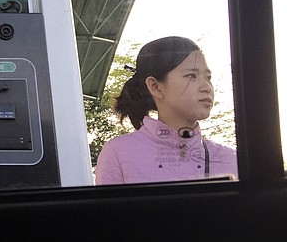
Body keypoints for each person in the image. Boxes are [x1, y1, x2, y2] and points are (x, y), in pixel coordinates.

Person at [94, 36, 238, 184]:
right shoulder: (119, 153)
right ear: (155, 86)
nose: (207, 87)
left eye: (208, 77)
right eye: (191, 76)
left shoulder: (232, 159)